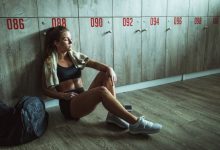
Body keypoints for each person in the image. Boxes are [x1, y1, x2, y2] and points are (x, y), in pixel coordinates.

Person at [42, 26, 162, 135]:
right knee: (101, 91)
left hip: (82, 97)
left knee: (105, 74)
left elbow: (94, 64)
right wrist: (63, 96)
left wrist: (109, 69)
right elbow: (45, 90)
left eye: (70, 38)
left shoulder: (74, 57)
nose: (71, 42)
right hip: (70, 106)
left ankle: (113, 115)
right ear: (56, 42)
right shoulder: (49, 63)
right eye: (66, 39)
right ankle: (136, 123)